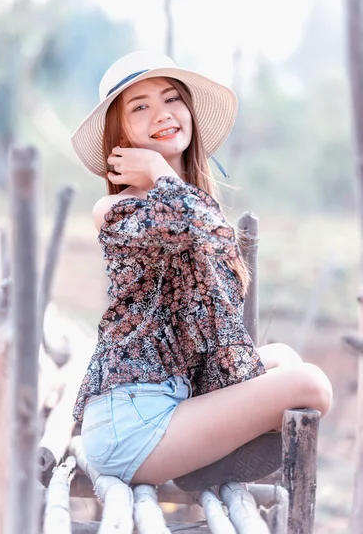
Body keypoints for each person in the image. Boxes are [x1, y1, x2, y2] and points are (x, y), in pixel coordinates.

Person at [71, 50, 332, 489]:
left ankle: (205, 462)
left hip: (171, 396)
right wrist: (156, 170)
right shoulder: (115, 209)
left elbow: (207, 235)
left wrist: (165, 175)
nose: (163, 113)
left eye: (172, 99)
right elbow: (193, 226)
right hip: (130, 422)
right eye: (140, 106)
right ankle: (207, 461)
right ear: (120, 135)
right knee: (312, 385)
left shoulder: (191, 201)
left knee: (284, 358)